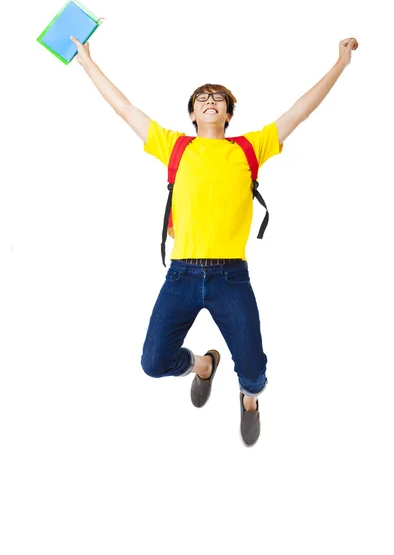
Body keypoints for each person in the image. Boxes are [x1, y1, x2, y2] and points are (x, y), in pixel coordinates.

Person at [70, 34, 359, 446]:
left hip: (231, 278)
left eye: (218, 99)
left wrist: (340, 64)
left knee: (255, 374)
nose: (210, 101)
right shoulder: (174, 146)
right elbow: (124, 108)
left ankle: (249, 400)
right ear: (191, 113)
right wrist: (87, 64)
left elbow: (300, 111)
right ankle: (203, 365)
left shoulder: (249, 148)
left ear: (227, 115)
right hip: (182, 276)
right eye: (202, 98)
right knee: (153, 364)